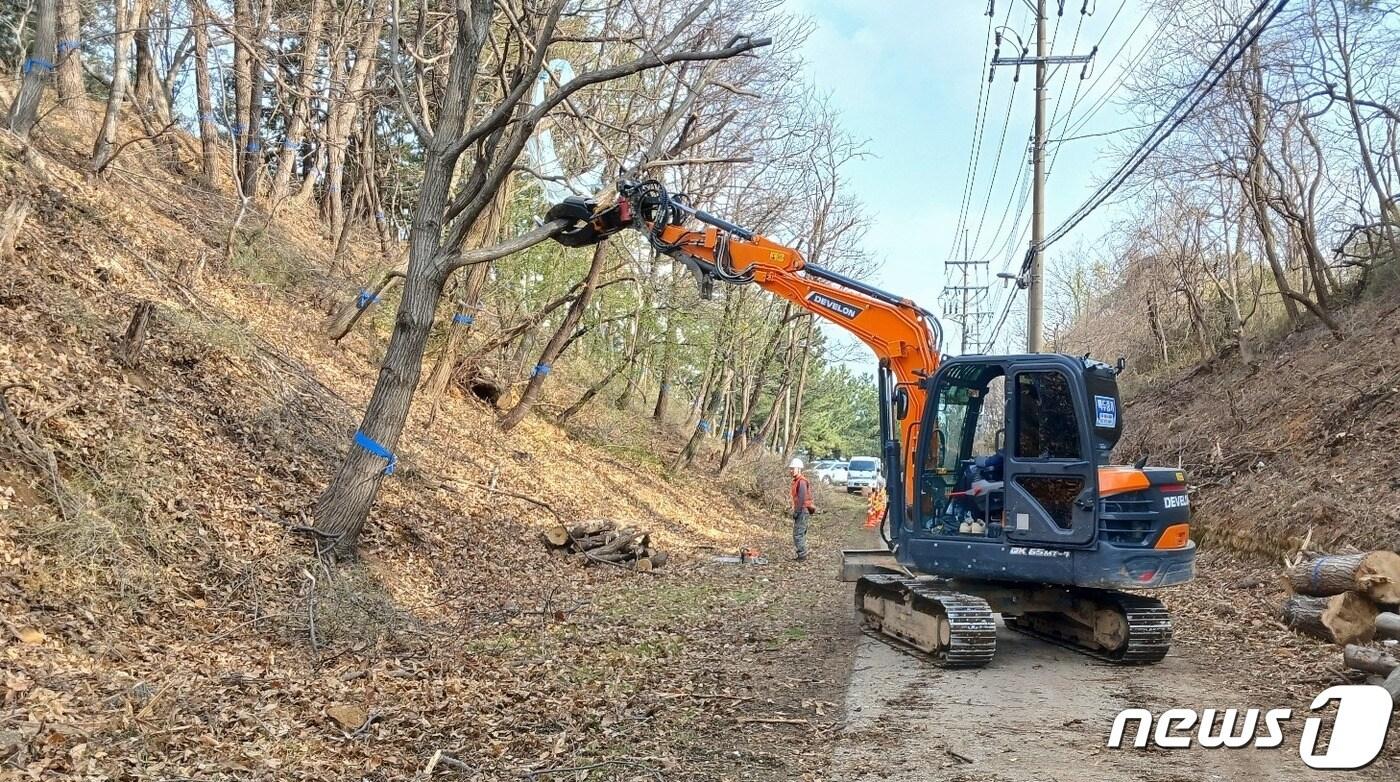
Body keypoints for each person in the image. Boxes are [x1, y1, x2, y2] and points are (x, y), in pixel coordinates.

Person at [788, 458, 816, 561]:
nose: (791, 471)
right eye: (790, 469)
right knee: (801, 533)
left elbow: (801, 497)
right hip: (802, 510)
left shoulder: (802, 482)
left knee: (798, 534)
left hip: (803, 510)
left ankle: (802, 555)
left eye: (793, 469)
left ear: (799, 469)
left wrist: (797, 512)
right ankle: (802, 554)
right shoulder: (797, 481)